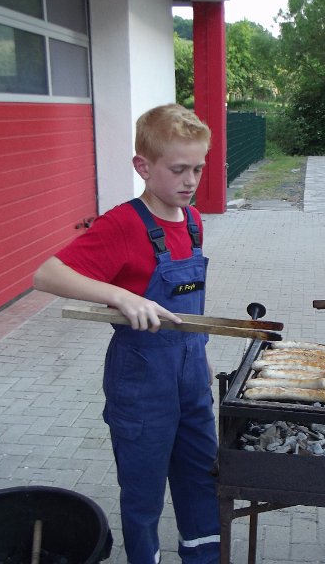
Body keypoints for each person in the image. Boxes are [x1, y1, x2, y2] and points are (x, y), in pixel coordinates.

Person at [33, 103, 220, 564]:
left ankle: (203, 557)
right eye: (178, 169)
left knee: (201, 478)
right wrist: (119, 296)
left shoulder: (193, 221)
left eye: (198, 168)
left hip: (192, 379)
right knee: (143, 491)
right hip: (142, 385)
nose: (190, 181)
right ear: (144, 166)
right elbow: (47, 274)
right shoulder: (122, 224)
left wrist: (199, 355)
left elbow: (189, 306)